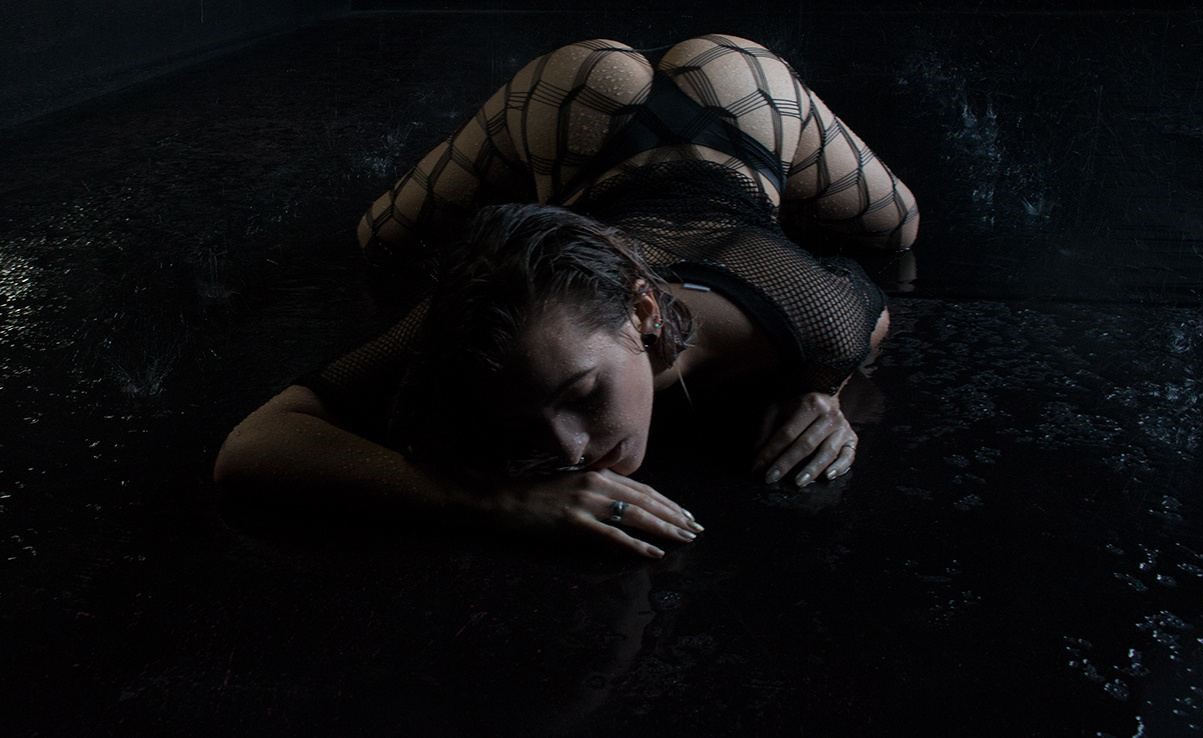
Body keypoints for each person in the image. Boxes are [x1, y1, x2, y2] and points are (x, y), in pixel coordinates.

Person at [214, 34, 919, 558]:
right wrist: (492, 501)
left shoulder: (801, 311)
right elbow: (253, 444)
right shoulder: (478, 315)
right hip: (579, 99)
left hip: (739, 94)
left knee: (901, 229)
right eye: (523, 414)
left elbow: (866, 313)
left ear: (643, 312)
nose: (570, 449)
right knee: (380, 237)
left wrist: (821, 390)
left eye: (582, 393)